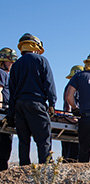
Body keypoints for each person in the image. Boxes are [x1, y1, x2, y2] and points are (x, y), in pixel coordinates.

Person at [4, 33, 57, 166]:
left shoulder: (15, 65)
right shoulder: (41, 60)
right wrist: (52, 104)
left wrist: (11, 114)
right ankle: (45, 168)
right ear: (36, 47)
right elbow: (49, 83)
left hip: (19, 106)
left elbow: (12, 90)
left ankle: (24, 168)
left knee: (23, 140)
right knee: (43, 138)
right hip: (36, 104)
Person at [0, 48, 18, 171]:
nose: (12, 64)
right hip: (2, 113)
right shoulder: (1, 73)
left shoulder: (5, 74)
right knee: (3, 149)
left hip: (6, 112)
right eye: (10, 61)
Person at [61, 65, 83, 162]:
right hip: (72, 123)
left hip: (70, 122)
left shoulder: (70, 87)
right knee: (72, 153)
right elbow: (68, 106)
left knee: (67, 152)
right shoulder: (73, 88)